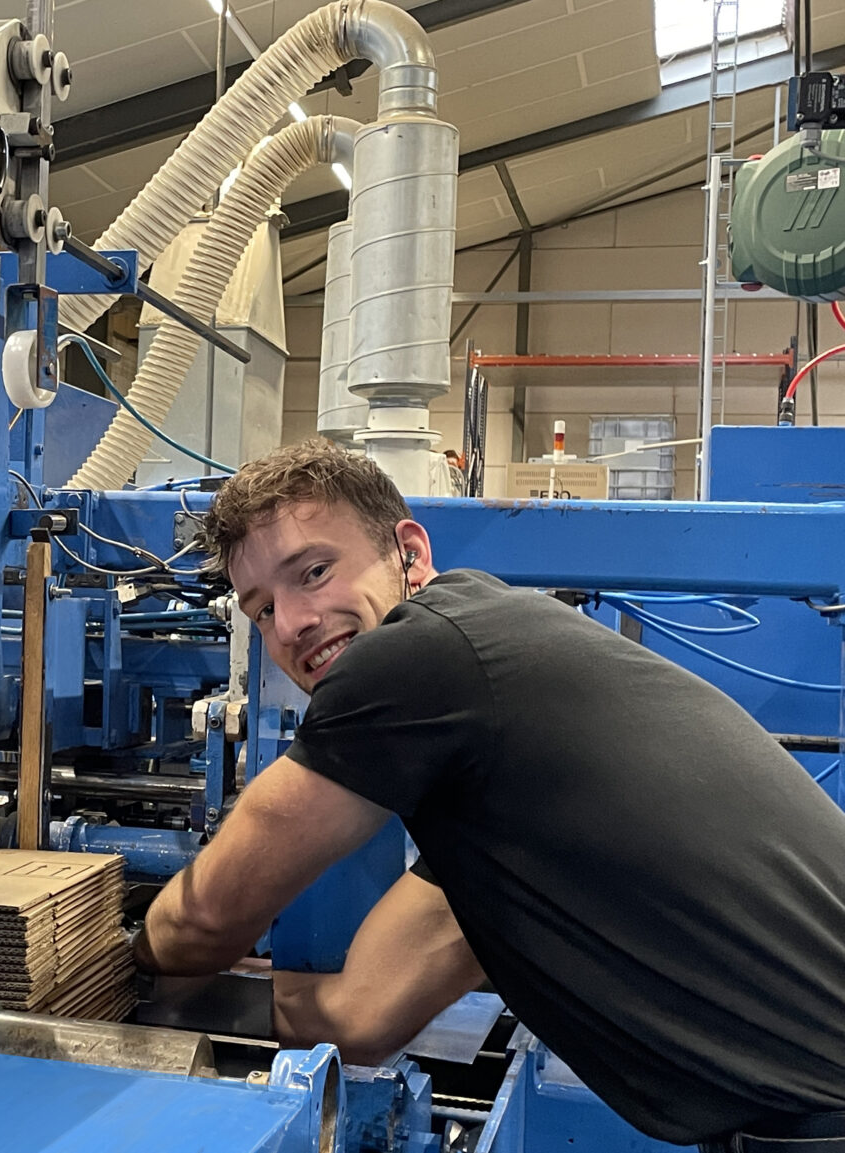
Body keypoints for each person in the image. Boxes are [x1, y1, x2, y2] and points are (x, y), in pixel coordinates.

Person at [133, 438, 845, 1151]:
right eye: (261, 609)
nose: (290, 624)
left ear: (409, 551)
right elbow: (362, 1016)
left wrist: (115, 955)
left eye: (314, 572)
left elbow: (202, 922)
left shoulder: (417, 656)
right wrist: (222, 999)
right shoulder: (498, 725)